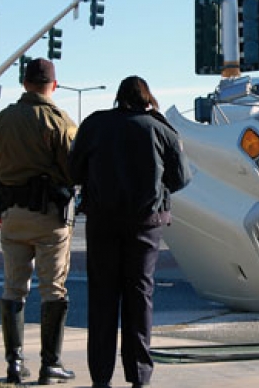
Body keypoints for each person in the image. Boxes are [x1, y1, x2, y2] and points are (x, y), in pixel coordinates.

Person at [69, 76, 191, 388]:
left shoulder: (95, 125)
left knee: (102, 298)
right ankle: (139, 376)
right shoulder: (160, 128)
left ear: (118, 98)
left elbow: (72, 170)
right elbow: (181, 178)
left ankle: (101, 377)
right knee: (140, 297)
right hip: (145, 225)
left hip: (102, 222)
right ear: (147, 99)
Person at [0, 58, 77, 385]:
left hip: (12, 216)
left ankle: (14, 363)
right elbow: (72, 170)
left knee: (14, 288)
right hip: (49, 217)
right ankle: (50, 364)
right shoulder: (60, 122)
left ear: (24, 84)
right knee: (53, 289)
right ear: (54, 85)